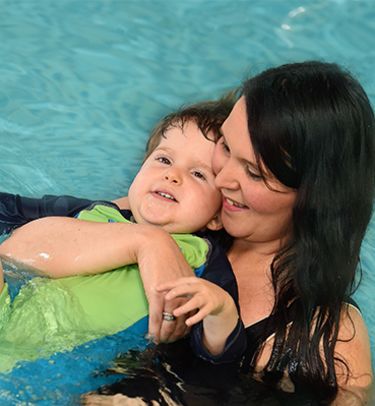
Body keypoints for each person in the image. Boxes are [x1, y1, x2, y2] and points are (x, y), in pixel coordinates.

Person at [0, 61, 374, 405]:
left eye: (254, 173)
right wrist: (146, 243)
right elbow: (20, 246)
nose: (223, 179)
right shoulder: (178, 215)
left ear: (314, 200)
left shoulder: (325, 338)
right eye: (226, 146)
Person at [0, 95, 247, 373]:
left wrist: (221, 310)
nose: (172, 176)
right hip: (7, 313)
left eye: (199, 174)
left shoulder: (203, 257)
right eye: (164, 159)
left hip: (63, 359)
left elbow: (219, 356)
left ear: (217, 215)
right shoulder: (98, 213)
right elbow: (8, 209)